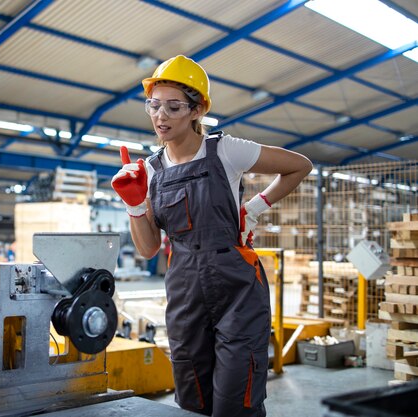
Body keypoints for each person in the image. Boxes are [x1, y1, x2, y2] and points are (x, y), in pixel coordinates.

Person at [111, 55, 312, 417]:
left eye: (174, 107)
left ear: (197, 110)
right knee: (191, 398)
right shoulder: (151, 171)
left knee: (237, 398)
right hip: (185, 290)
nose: (161, 117)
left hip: (237, 287)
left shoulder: (226, 151)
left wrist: (253, 208)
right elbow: (148, 249)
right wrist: (135, 204)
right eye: (154, 106)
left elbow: (299, 166)